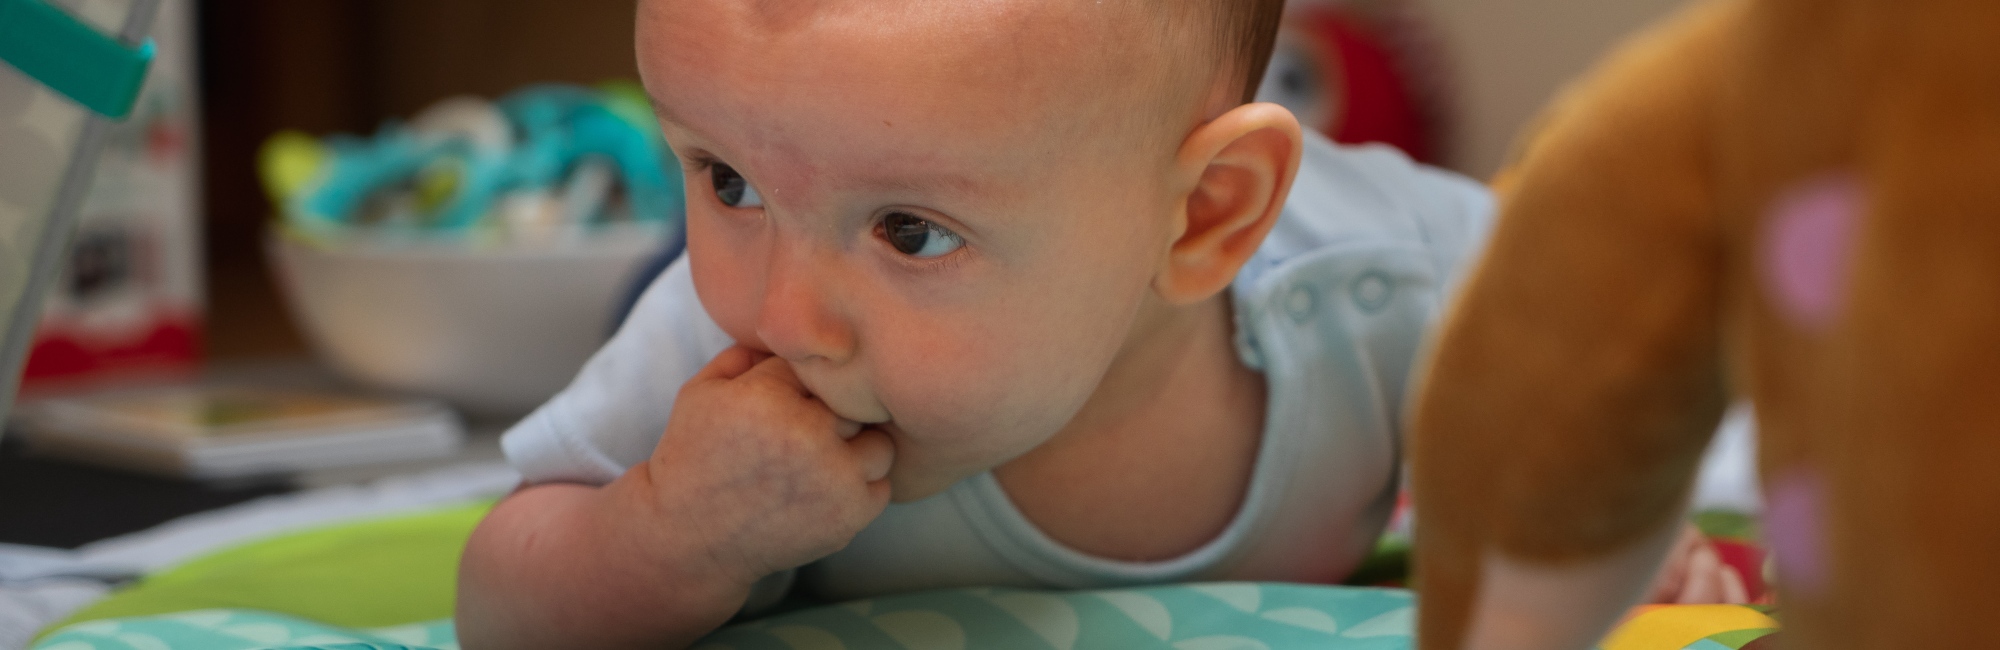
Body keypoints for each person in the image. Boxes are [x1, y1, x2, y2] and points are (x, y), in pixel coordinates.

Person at [455, 2, 1741, 647]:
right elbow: (498, 609)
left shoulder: (1376, 276)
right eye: (720, 174)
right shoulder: (718, 350)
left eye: (909, 229)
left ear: (1201, 220)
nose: (784, 311)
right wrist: (669, 532)